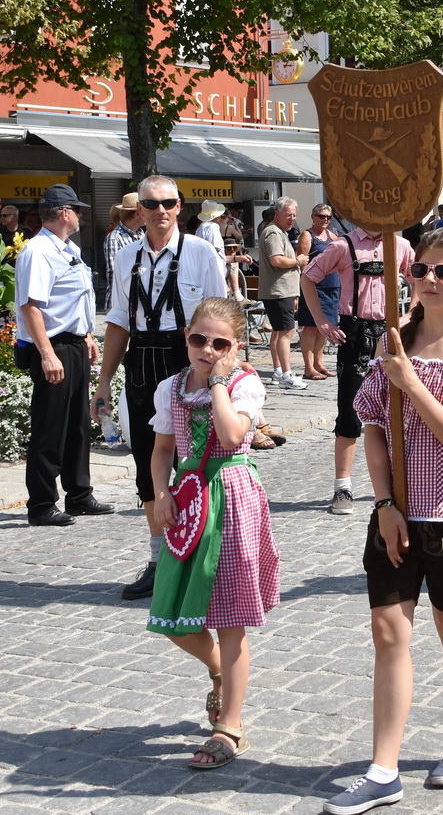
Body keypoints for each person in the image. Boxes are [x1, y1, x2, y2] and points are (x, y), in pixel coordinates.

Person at [322, 230, 443, 814]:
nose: (429, 279)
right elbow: (373, 427)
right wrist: (383, 504)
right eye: (422, 268)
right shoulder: (392, 341)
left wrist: (413, 383)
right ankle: (383, 769)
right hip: (396, 515)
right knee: (387, 633)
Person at [145, 295, 279, 769]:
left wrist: (220, 381)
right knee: (173, 615)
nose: (206, 349)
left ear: (236, 347)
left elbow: (228, 436)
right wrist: (160, 494)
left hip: (232, 495)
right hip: (188, 497)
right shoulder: (171, 388)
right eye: (198, 338)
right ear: (186, 337)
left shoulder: (245, 384)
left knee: (229, 617)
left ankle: (230, 727)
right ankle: (222, 672)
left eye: (219, 342)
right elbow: (162, 450)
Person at [95, 176, 226, 597]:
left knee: (201, 460)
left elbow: (223, 321)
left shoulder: (202, 253)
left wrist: (222, 378)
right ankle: (159, 560)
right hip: (141, 363)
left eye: (168, 203)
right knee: (148, 464)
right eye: (151, 205)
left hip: (189, 360)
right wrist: (103, 383)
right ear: (140, 211)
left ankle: (204, 557)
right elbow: (117, 320)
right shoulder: (126, 257)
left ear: (180, 205)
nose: (160, 211)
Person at [14, 184, 111, 526]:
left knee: (78, 426)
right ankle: (41, 504)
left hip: (73, 344)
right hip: (53, 347)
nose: (82, 215)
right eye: (78, 209)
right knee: (50, 428)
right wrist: (47, 354)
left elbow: (70, 298)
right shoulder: (38, 251)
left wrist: (86, 334)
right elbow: (31, 307)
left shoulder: (66, 248)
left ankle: (79, 495)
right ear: (65, 212)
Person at [304, 225, 414, 514]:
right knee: (350, 412)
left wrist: (412, 314)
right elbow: (308, 278)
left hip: (390, 333)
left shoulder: (399, 245)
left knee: (399, 410)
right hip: (354, 332)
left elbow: (420, 277)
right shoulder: (343, 246)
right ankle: (343, 487)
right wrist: (322, 321)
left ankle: (400, 484)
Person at [257, 198, 308, 391]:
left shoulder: (279, 232)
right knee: (287, 332)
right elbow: (276, 260)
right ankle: (287, 374)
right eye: (288, 214)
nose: (292, 218)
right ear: (277, 214)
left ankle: (279, 371)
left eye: (294, 215)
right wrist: (298, 261)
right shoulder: (273, 232)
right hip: (279, 291)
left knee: (279, 332)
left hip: (279, 290)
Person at [296, 205, 339, 381]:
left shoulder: (333, 236)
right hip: (315, 287)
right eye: (322, 216)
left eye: (329, 217)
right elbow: (302, 261)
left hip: (332, 286)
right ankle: (308, 367)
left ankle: (318, 363)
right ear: (313, 217)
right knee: (311, 327)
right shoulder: (307, 235)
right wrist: (308, 285)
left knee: (325, 327)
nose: (325, 220)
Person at [102, 193, 142, 307]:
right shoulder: (115, 238)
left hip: (139, 304)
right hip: (121, 304)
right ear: (137, 213)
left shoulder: (142, 234)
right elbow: (114, 274)